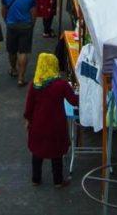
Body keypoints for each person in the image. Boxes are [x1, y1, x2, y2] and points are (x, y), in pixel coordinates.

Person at [24, 53, 78, 188]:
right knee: (57, 153)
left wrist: (28, 120)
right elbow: (74, 101)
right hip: (56, 124)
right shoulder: (61, 84)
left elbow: (29, 106)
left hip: (38, 123)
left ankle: (36, 179)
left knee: (37, 152)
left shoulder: (35, 84)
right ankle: (58, 181)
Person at [1, 0, 38, 86]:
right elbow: (33, 12)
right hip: (26, 25)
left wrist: (7, 21)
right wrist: (32, 24)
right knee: (23, 51)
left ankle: (13, 69)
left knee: (12, 50)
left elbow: (3, 10)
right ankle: (21, 78)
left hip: (11, 25)